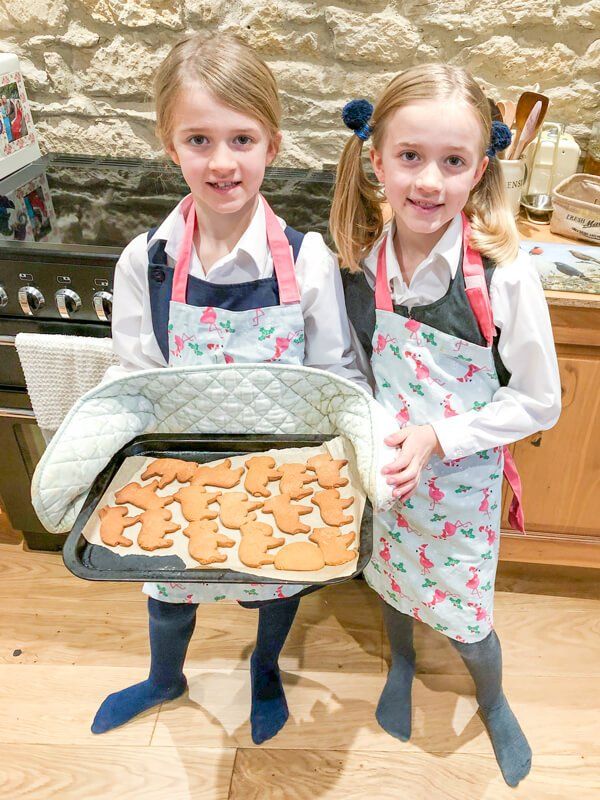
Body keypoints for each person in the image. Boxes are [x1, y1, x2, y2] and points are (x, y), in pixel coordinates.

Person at [92, 32, 364, 744]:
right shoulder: (145, 262)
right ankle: (163, 677)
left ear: (272, 145)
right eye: (198, 139)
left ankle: (265, 668)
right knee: (169, 588)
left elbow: (335, 374)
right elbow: (132, 375)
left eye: (241, 139)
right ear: (169, 145)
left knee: (273, 585)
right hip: (178, 467)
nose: (221, 162)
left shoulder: (307, 263)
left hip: (280, 471)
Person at [330, 64, 561, 787]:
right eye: (410, 157)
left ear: (480, 168)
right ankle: (400, 661)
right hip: (394, 472)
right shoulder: (367, 263)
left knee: (465, 613)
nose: (429, 181)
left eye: (452, 162)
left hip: (461, 482)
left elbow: (537, 401)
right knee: (391, 579)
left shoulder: (503, 277)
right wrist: (380, 435)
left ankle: (491, 700)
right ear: (376, 160)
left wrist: (439, 438)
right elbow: (360, 372)